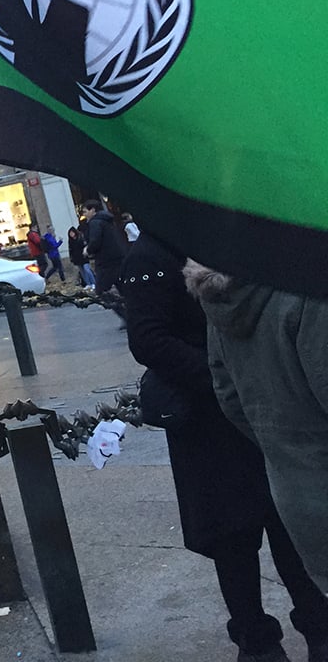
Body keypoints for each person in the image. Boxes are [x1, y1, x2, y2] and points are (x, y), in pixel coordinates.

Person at [123, 235, 328, 662]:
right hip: (208, 423)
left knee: (285, 530)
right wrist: (227, 379)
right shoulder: (154, 254)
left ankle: (311, 627)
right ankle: (258, 640)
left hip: (246, 409)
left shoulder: (216, 242)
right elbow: (147, 339)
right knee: (236, 542)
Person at [185, 263, 328, 597]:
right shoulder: (311, 295)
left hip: (296, 494)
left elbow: (229, 396)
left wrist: (284, 446)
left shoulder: (223, 298)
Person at [80, 199, 125, 296]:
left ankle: (121, 309)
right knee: (122, 287)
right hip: (117, 257)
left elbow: (95, 240)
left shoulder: (95, 222)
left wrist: (87, 250)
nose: (84, 215)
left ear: (92, 210)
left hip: (105, 261)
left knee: (101, 291)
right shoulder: (107, 221)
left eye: (85, 212)